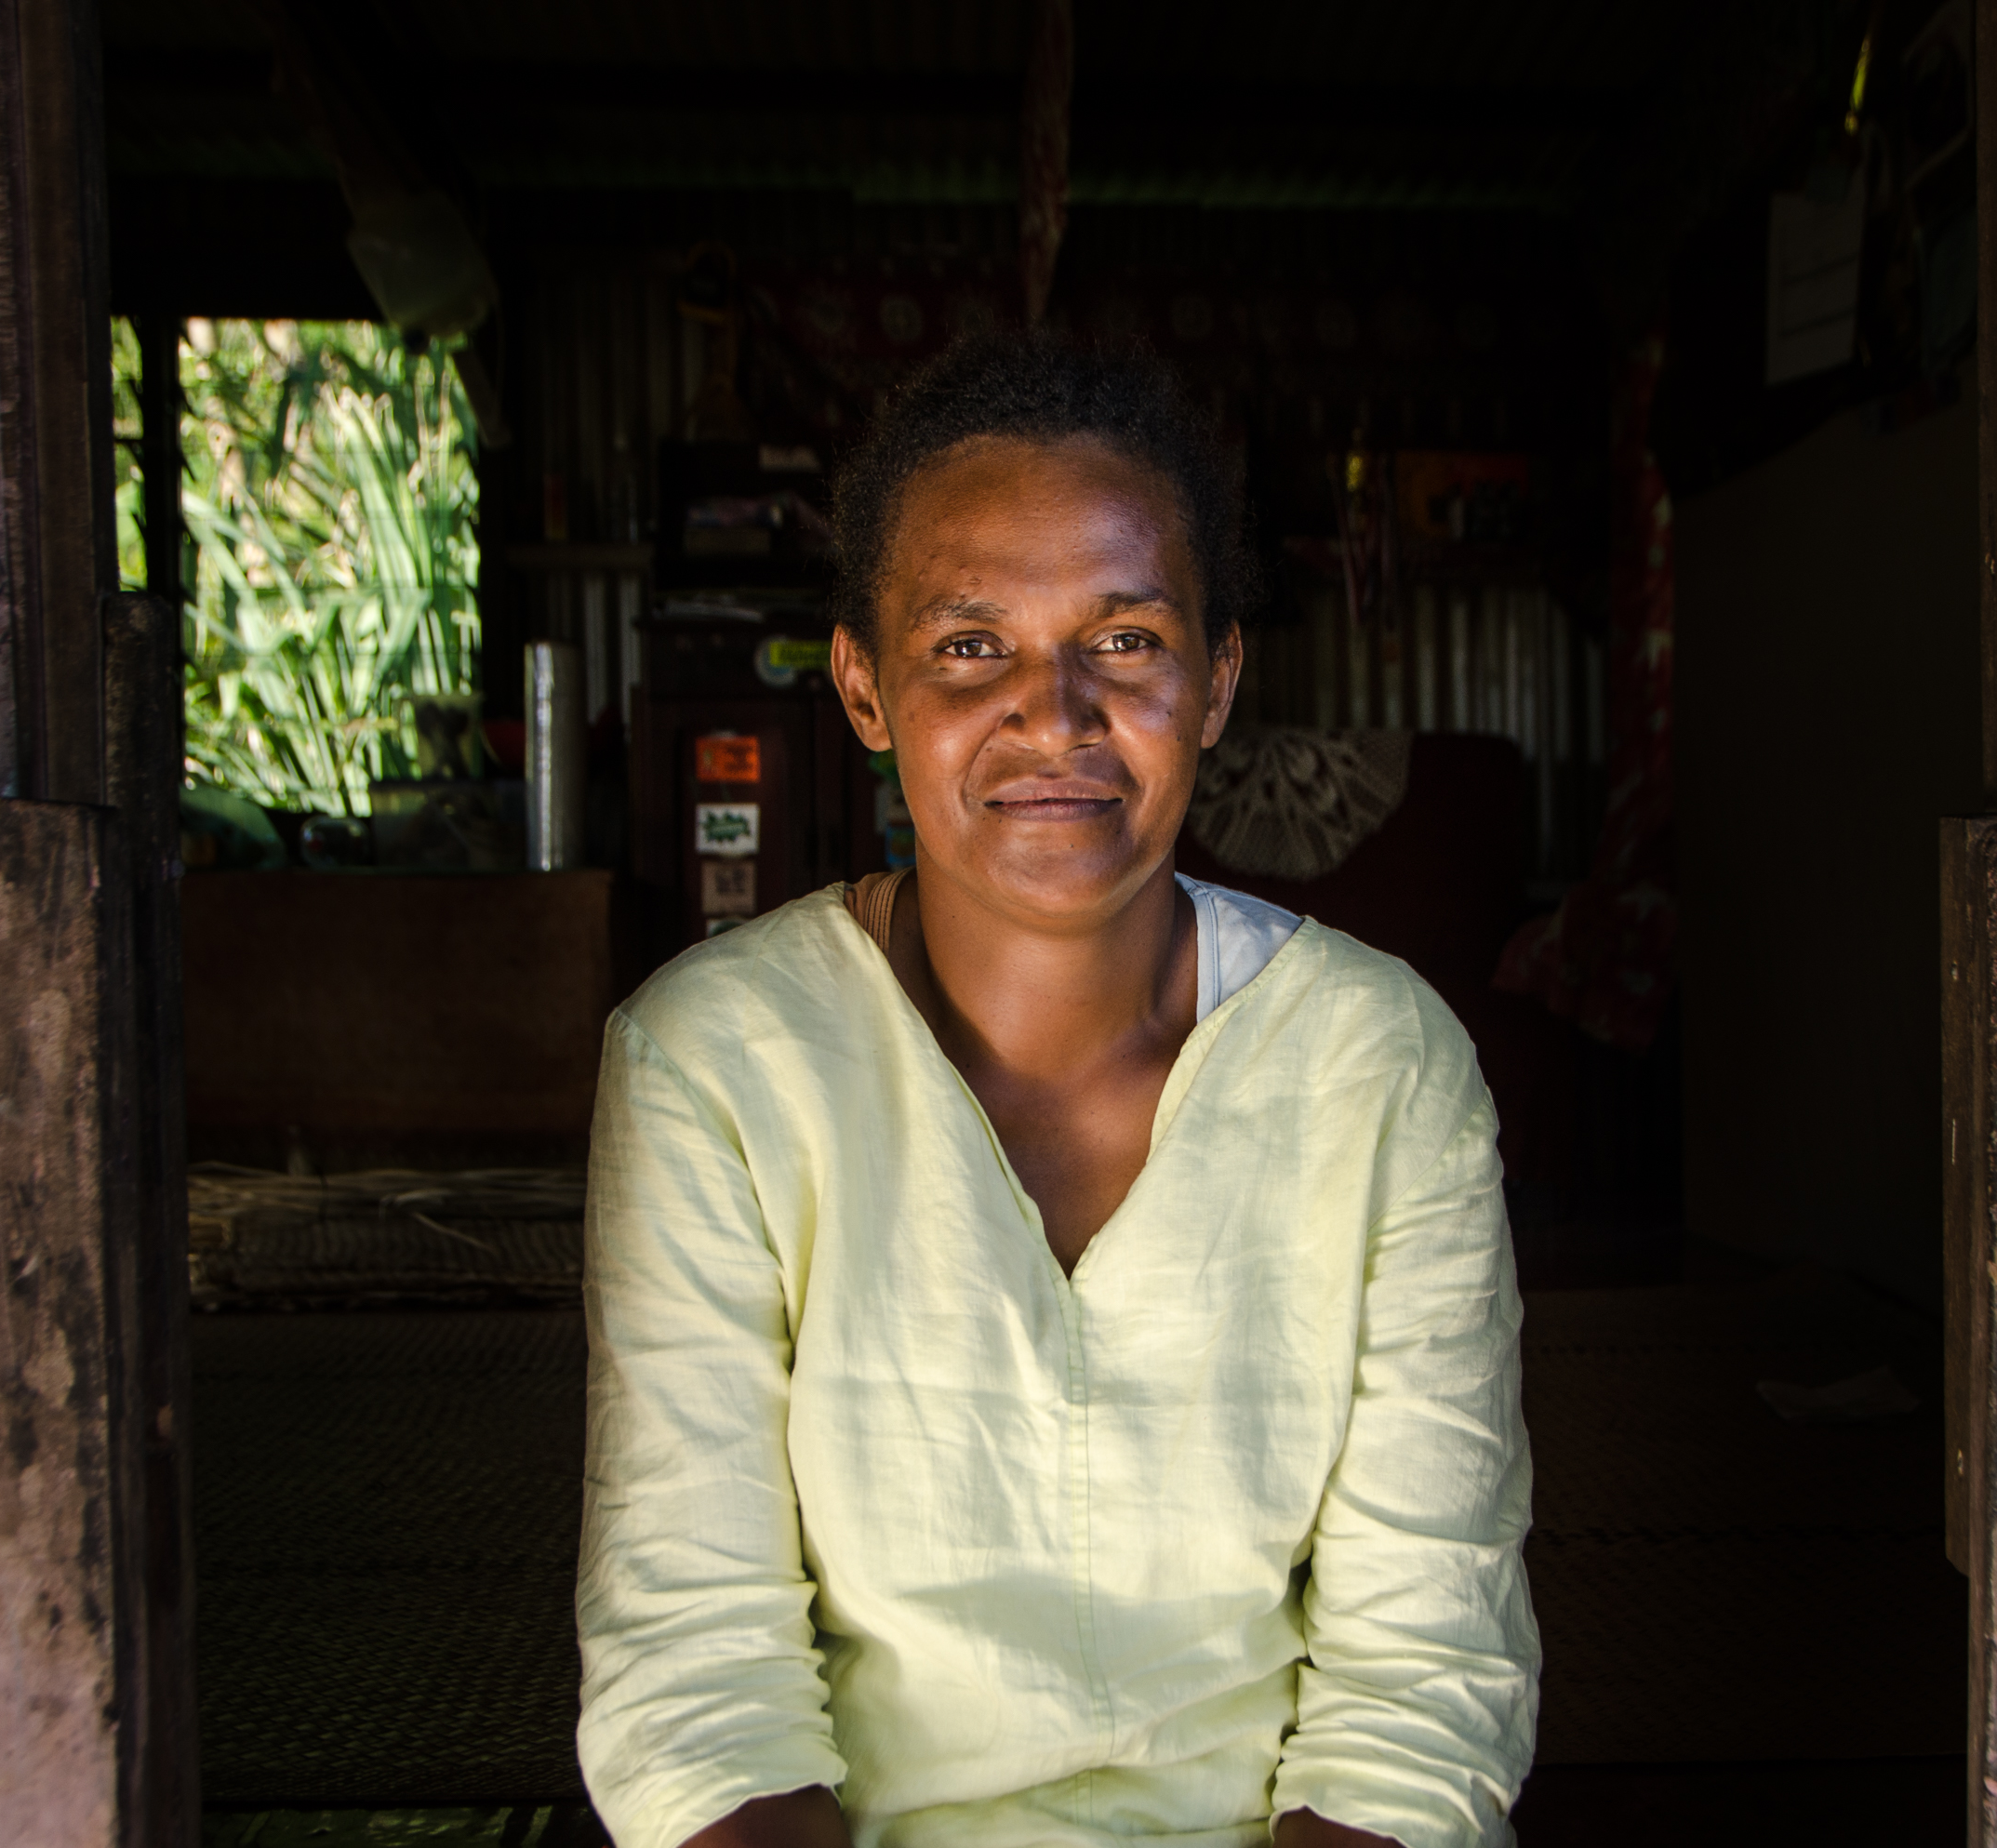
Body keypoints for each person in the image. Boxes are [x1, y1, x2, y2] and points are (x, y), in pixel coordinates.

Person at [575, 333, 1538, 1848]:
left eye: (1129, 640)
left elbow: (1422, 1683)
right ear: (866, 688)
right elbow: (697, 1677)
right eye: (971, 646)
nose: (1056, 713)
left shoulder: (1378, 1066)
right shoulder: (720, 1063)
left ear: (1217, 681)